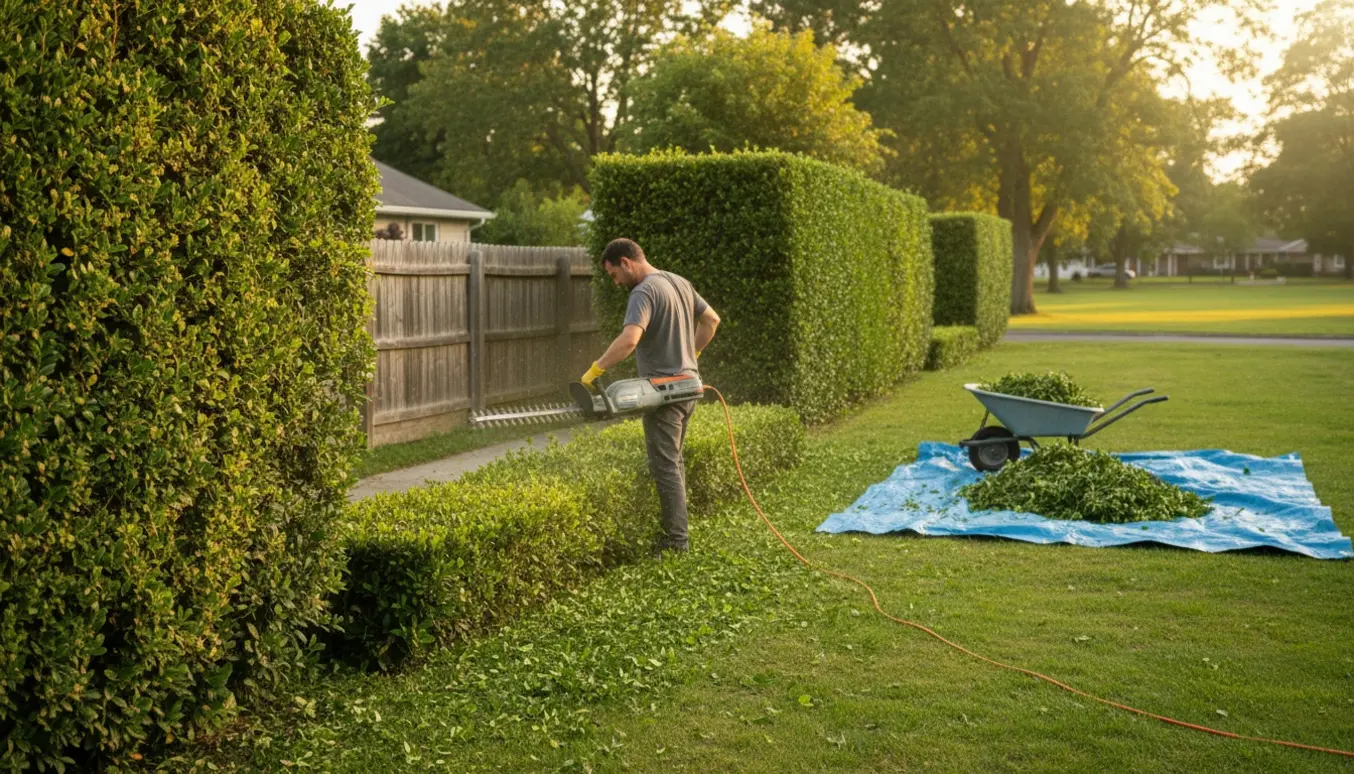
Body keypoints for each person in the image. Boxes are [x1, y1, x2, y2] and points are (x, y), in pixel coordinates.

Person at [582, 238, 720, 556]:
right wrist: (693, 354)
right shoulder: (679, 282)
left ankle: (676, 542)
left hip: (666, 393)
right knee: (674, 462)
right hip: (688, 388)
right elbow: (712, 320)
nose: (615, 282)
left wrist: (595, 370)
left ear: (626, 262)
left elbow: (630, 340)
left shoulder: (643, 291)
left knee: (666, 466)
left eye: (614, 274)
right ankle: (677, 534)